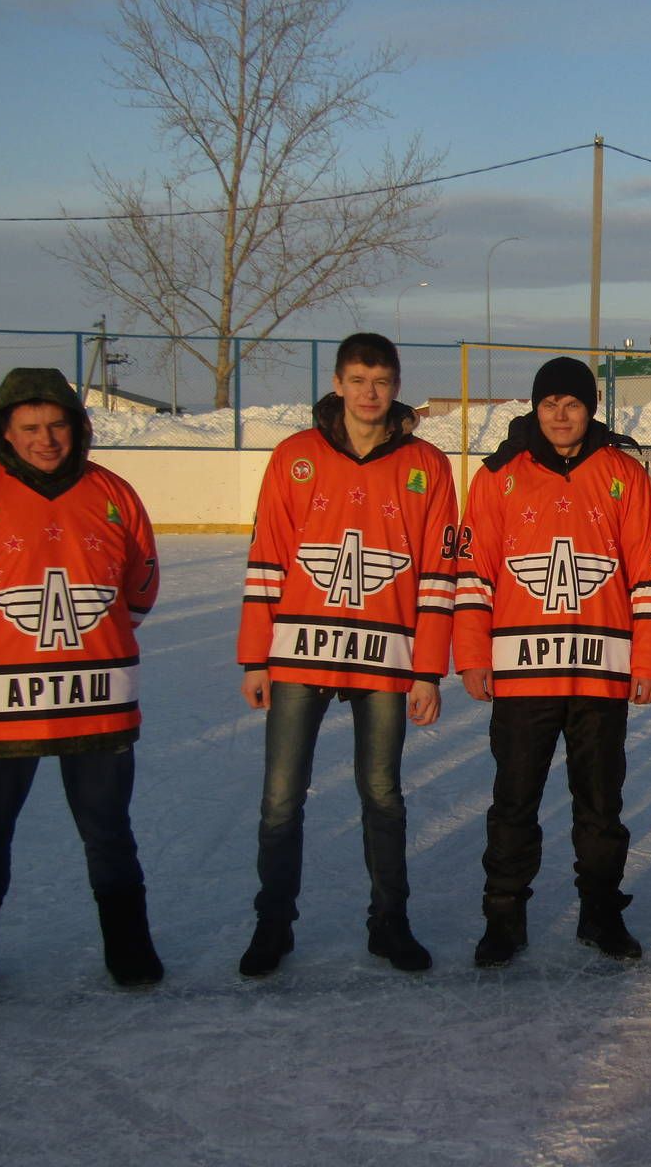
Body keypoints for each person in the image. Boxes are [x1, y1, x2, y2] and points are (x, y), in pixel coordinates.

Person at [236, 332, 456, 976]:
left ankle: (390, 922)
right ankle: (272, 925)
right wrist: (255, 657)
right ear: (337, 384)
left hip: (385, 656)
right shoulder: (295, 456)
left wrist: (427, 670)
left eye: (381, 381)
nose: (369, 393)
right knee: (281, 797)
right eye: (358, 380)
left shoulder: (427, 465)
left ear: (396, 385)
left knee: (382, 794)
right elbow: (267, 558)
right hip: (298, 654)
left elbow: (438, 573)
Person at [0, 368, 163, 1000]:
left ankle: (129, 951)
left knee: (107, 830)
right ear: (4, 433)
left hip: (96, 697)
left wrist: (85, 645)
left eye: (57, 425)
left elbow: (138, 588)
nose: (46, 439)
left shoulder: (114, 494)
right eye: (30, 428)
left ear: (77, 425)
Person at [454, 357, 651, 966]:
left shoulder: (625, 475)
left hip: (601, 672)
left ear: (590, 408)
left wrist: (649, 659)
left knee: (601, 806)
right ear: (534, 407)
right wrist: (472, 654)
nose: (560, 414)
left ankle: (599, 914)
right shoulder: (499, 476)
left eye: (571, 403)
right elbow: (475, 574)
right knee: (514, 800)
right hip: (523, 674)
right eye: (548, 402)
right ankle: (504, 916)